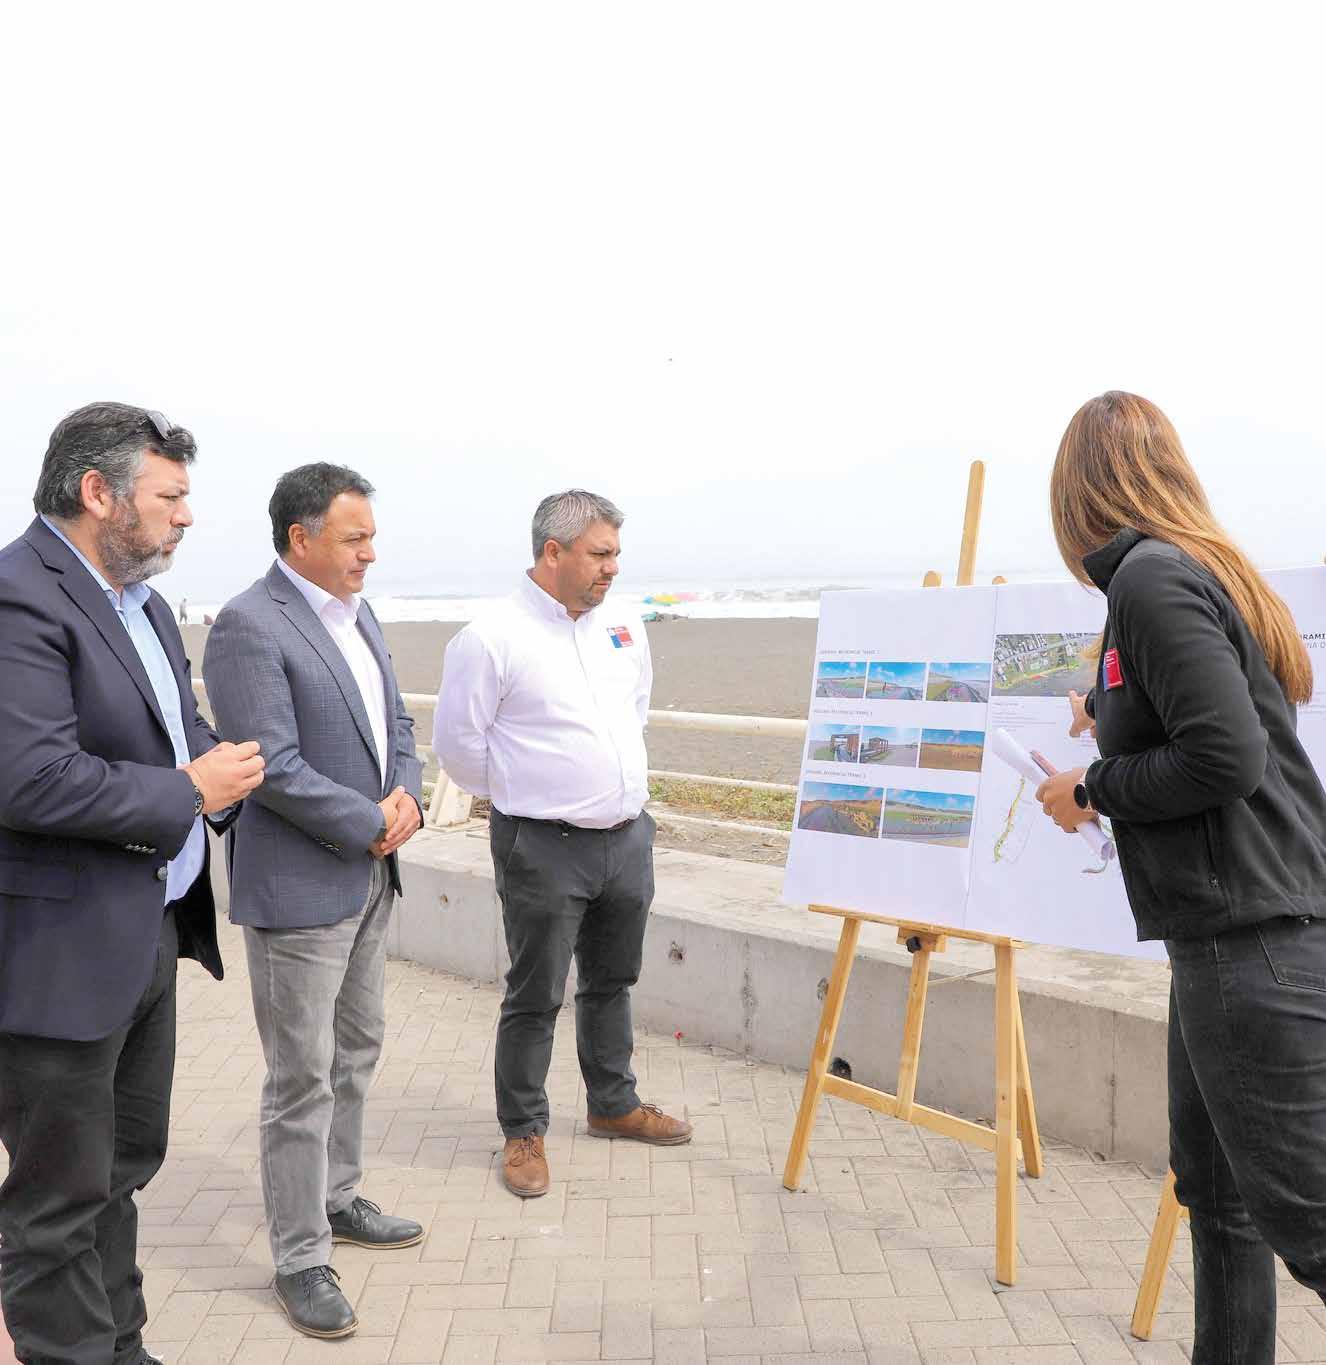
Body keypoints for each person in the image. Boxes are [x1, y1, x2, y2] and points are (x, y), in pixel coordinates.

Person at [1034, 391, 1326, 1363]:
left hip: (1252, 942)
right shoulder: (1197, 566)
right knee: (1219, 1198)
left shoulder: (1150, 579)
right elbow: (1207, 716)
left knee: (1310, 1228)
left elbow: (1225, 757)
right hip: (1233, 936)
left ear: (1078, 495)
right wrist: (1102, 712)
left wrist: (1093, 788)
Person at [0, 402, 264, 1365]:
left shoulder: (144, 604)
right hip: (59, 955)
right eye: (170, 495)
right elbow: (30, 778)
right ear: (98, 492)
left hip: (148, 932)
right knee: (55, 1201)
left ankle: (121, 1347)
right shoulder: (18, 597)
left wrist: (228, 777)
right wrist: (190, 790)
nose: (186, 515)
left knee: (121, 1168)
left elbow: (174, 734)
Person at [202, 463, 425, 1340]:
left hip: (369, 874)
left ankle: (338, 1197)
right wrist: (370, 819)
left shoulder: (357, 613)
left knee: (357, 1050)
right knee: (301, 1077)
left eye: (372, 536)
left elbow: (396, 727)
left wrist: (407, 799)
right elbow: (272, 766)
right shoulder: (249, 625)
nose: (370, 553)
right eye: (353, 537)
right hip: (300, 888)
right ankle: (299, 1257)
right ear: (300, 538)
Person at [435, 489, 691, 1200]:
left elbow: (634, 711)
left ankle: (613, 1103)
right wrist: (532, 792)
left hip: (626, 839)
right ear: (553, 552)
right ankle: (523, 1130)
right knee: (536, 993)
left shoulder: (625, 624)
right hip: (542, 845)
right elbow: (459, 749)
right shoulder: (490, 637)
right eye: (599, 553)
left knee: (613, 980)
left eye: (616, 553)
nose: (613, 567)